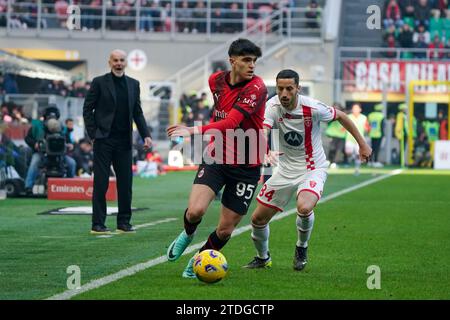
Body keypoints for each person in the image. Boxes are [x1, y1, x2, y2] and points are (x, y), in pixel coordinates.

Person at [244, 69, 372, 271]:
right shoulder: (272, 105)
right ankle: (263, 258)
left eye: (289, 89)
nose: (284, 94)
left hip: (312, 168)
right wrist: (264, 149)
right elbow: (263, 130)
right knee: (257, 220)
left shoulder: (312, 107)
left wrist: (362, 144)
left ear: (298, 89)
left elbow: (342, 116)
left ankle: (301, 247)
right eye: (280, 89)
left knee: (304, 207)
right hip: (284, 170)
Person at [165, 38, 268, 278]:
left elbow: (231, 122)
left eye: (254, 61)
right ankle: (187, 234)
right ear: (232, 61)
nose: (252, 65)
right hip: (217, 156)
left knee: (225, 230)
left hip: (247, 164)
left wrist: (192, 130)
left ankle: (199, 260)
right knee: (195, 211)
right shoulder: (216, 81)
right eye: (246, 60)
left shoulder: (257, 88)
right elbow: (221, 112)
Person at [83, 49, 152, 235]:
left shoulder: (133, 84)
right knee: (101, 183)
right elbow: (87, 109)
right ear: (109, 62)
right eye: (115, 60)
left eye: (122, 60)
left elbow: (137, 112)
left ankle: (124, 222)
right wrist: (93, 134)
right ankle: (98, 224)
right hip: (104, 140)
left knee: (125, 184)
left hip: (124, 142)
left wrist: (146, 134)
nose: (119, 63)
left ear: (126, 62)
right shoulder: (99, 82)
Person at [24, 106, 76, 194]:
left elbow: (69, 141)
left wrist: (70, 145)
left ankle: (71, 187)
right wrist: (35, 144)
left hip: (60, 155)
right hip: (42, 154)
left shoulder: (63, 128)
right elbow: (28, 138)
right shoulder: (37, 126)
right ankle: (28, 186)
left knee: (72, 163)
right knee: (35, 161)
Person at [345, 103, 369, 175]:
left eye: (357, 108)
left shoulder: (364, 117)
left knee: (358, 154)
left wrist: (367, 129)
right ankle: (351, 157)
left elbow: (367, 127)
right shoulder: (348, 117)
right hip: (349, 138)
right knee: (348, 152)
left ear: (360, 109)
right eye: (354, 108)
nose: (355, 110)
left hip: (359, 139)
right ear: (352, 109)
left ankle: (357, 169)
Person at [325, 102, 347, 168]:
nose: (336, 109)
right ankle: (329, 160)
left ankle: (334, 162)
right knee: (332, 148)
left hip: (342, 136)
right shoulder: (330, 115)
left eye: (337, 107)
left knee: (339, 150)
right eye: (335, 107)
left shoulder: (343, 115)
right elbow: (327, 121)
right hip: (332, 135)